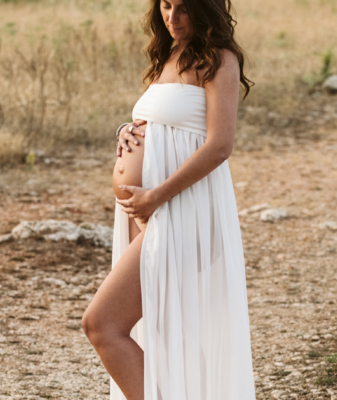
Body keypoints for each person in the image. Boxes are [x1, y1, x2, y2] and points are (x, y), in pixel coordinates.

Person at [82, 0, 256, 398]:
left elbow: (218, 146)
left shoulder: (219, 60)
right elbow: (164, 122)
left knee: (102, 325)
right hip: (149, 214)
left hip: (184, 211)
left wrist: (155, 197)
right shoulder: (169, 54)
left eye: (183, 8)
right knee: (167, 329)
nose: (172, 18)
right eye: (165, 5)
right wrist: (128, 129)